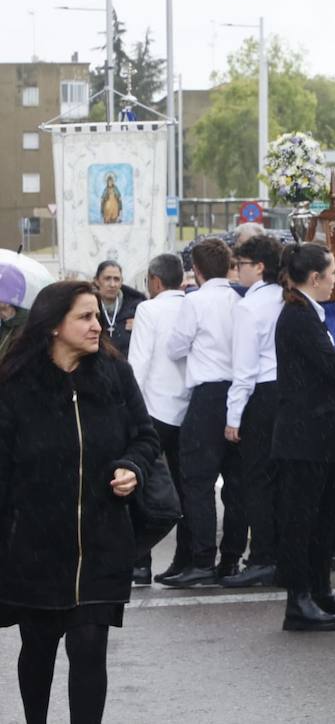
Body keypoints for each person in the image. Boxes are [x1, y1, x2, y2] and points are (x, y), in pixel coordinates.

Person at [0, 280, 160, 723]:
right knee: (38, 647)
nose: (97, 326)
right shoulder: (15, 384)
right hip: (35, 544)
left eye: (97, 317)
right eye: (85, 317)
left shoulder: (115, 373)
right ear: (53, 325)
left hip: (102, 538)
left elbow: (145, 437)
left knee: (90, 648)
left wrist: (132, 466)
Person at [273, 243, 335, 632]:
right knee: (302, 522)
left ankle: (321, 590)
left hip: (320, 436)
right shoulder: (297, 316)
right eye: (332, 272)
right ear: (314, 278)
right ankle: (298, 600)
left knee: (327, 518)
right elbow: (332, 366)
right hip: (303, 439)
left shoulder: (309, 312)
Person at [163, 238, 247, 587]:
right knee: (237, 481)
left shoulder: (194, 301)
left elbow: (175, 347)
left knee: (197, 481)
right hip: (241, 391)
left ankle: (201, 559)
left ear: (195, 271)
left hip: (208, 394)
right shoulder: (241, 299)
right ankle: (231, 558)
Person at [220, 233, 286, 588]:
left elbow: (243, 369)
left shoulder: (249, 306)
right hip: (288, 393)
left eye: (241, 265)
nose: (237, 272)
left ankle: (262, 556)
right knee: (281, 481)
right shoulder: (287, 298)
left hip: (260, 394)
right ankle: (280, 553)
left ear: (259, 267)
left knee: (257, 481)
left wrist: (233, 417)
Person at [127, 254, 192, 586]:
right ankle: (186, 559)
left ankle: (141, 562)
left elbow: (138, 362)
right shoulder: (192, 305)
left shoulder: (148, 309)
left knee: (142, 486)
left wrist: (128, 409)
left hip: (154, 408)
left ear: (154, 280)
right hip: (190, 409)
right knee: (188, 488)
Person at [93, 260, 145, 357]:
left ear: (121, 282)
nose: (112, 284)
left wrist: (140, 326)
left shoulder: (136, 308)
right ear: (97, 281)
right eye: (107, 279)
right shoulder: (88, 307)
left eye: (116, 279)